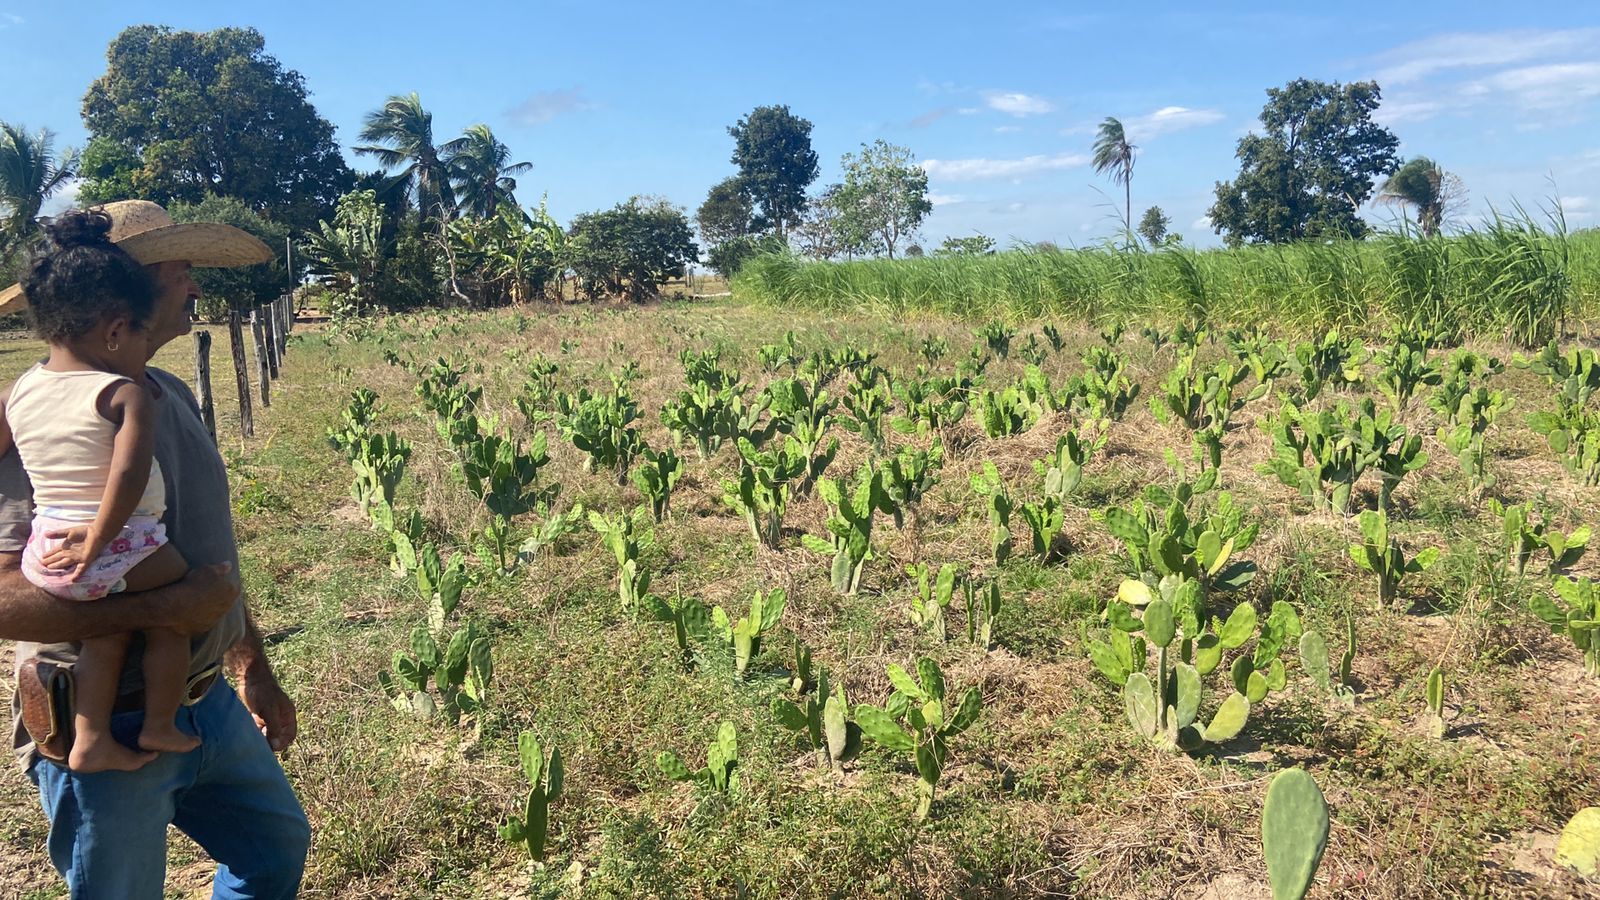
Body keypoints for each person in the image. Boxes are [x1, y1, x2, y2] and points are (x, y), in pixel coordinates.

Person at [0, 199, 310, 899]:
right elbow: (5, 601)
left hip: (203, 698)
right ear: (124, 289)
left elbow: (207, 552)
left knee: (272, 851)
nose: (196, 286)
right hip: (105, 716)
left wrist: (249, 663)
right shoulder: (48, 419)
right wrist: (177, 605)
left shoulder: (167, 393)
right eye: (181, 269)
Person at [0, 210, 198, 774]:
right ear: (116, 330)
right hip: (113, 543)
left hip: (51, 550)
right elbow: (128, 477)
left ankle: (90, 740)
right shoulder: (124, 396)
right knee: (177, 615)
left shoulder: (22, 394)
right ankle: (161, 723)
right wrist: (100, 538)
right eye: (138, 330)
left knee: (106, 637)